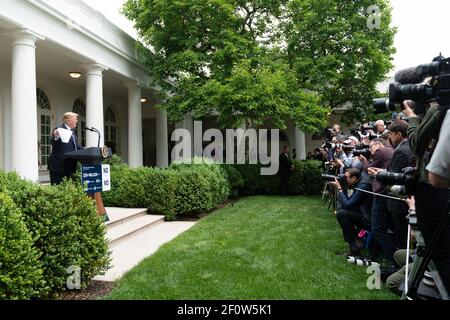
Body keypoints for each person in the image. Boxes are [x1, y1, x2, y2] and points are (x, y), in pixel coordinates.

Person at [385, 120, 416, 249]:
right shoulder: (410, 146)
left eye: (391, 134)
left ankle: (403, 264)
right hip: (406, 199)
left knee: (402, 236)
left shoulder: (402, 150)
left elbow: (395, 176)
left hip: (399, 200)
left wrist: (381, 175)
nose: (390, 137)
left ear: (398, 134)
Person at [329, 168, 373, 256]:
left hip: (369, 219)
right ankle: (356, 243)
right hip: (364, 214)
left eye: (346, 177)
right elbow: (349, 202)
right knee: (343, 212)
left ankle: (354, 246)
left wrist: (340, 189)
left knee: (341, 214)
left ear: (353, 178)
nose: (344, 179)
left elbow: (348, 205)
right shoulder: (360, 183)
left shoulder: (363, 186)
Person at [48, 112, 83, 185]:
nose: (77, 121)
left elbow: (77, 147)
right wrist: (56, 136)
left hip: (70, 167)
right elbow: (53, 142)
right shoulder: (59, 129)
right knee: (58, 190)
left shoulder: (73, 132)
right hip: (58, 167)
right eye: (75, 119)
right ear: (67, 120)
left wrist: (89, 150)